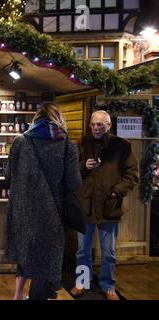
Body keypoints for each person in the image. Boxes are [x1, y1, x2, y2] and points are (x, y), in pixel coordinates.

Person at [5, 102, 82, 300]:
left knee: (26, 254)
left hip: (24, 213)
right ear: (59, 119)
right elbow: (74, 183)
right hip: (53, 215)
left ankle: (17, 296)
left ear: (36, 119)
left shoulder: (20, 141)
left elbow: (8, 177)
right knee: (47, 264)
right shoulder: (67, 146)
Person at [71, 110, 139, 301]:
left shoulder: (122, 146)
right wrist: (84, 166)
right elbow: (71, 170)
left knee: (109, 252)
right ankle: (82, 283)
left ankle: (108, 286)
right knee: (83, 251)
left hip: (110, 206)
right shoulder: (83, 143)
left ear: (109, 125)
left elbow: (132, 174)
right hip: (86, 206)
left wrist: (117, 191)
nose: (96, 128)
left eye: (100, 124)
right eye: (93, 124)